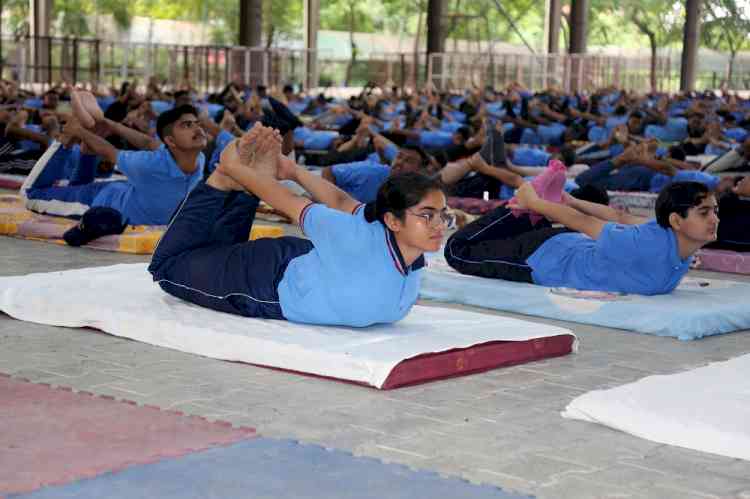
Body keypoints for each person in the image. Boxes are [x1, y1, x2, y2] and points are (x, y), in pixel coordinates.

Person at [148, 123, 452, 327]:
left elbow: (343, 203)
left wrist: (292, 170)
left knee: (217, 250)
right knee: (168, 266)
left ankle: (237, 184)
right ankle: (221, 181)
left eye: (442, 214)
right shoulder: (354, 237)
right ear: (393, 221)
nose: (439, 224)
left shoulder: (408, 255)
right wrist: (234, 167)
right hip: (264, 282)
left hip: (305, 262)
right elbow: (285, 200)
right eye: (427, 215)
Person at [445, 177, 719, 296]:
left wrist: (570, 199)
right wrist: (534, 202)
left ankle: (536, 210)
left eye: (714, 211)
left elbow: (620, 217)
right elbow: (585, 223)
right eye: (705, 212)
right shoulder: (645, 245)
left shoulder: (668, 238)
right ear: (676, 221)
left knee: (494, 240)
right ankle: (524, 204)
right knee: (457, 251)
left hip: (563, 242)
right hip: (542, 259)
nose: (715, 220)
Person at [21, 104, 205, 225]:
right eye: (187, 125)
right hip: (98, 202)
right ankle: (65, 141)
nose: (198, 128)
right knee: (31, 195)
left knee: (77, 188)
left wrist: (112, 125)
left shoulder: (199, 158)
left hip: (123, 191)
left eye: (197, 123)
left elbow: (148, 143)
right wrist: (78, 131)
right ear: (171, 141)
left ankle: (85, 148)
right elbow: (110, 152)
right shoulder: (150, 165)